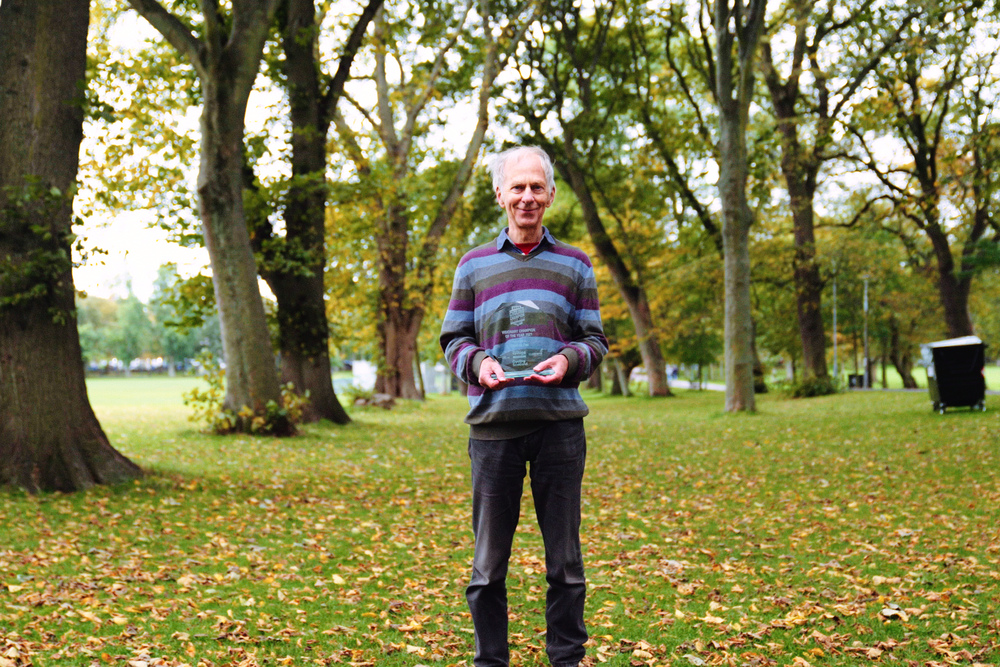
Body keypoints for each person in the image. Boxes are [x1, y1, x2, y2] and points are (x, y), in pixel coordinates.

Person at [440, 145, 608, 667]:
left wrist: (569, 360)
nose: (527, 197)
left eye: (537, 187)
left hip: (560, 430)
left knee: (565, 564)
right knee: (488, 567)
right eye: (517, 187)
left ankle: (566, 660)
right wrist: (477, 364)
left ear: (551, 194)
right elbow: (454, 339)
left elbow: (594, 340)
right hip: (493, 431)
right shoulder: (473, 265)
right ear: (500, 194)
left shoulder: (576, 264)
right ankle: (490, 660)